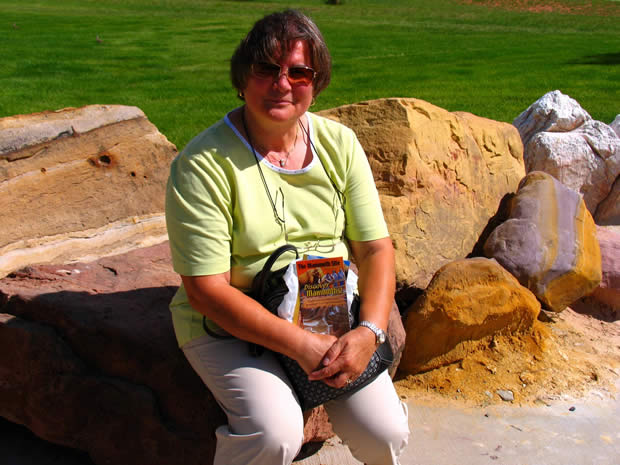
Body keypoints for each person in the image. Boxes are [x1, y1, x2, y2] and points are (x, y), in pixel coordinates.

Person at [165, 9, 409, 465]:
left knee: (386, 432)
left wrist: (369, 333)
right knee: (275, 434)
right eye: (266, 69)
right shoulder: (203, 163)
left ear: (316, 83)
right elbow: (205, 290)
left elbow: (376, 250)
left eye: (299, 72)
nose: (282, 83)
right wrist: (298, 346)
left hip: (327, 320)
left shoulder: (339, 144)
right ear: (243, 77)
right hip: (233, 328)